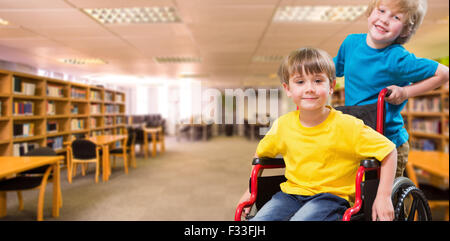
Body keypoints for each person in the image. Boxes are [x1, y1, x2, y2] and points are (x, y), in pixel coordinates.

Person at [238, 47, 397, 221]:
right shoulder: (283, 125)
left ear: (331, 87)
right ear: (287, 89)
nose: (309, 89)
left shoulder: (348, 125)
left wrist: (383, 196)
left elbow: (389, 151)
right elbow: (260, 155)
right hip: (290, 195)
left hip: (330, 198)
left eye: (318, 81)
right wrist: (250, 191)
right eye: (300, 82)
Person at [333, 0, 449, 178]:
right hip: (357, 138)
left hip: (388, 143)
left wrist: (405, 92)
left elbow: (443, 73)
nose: (385, 19)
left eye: (396, 17)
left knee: (383, 199)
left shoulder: (398, 58)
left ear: (405, 30)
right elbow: (330, 71)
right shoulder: (351, 44)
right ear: (371, 12)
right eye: (381, 10)